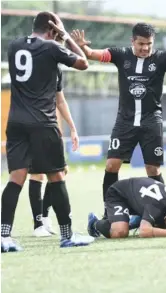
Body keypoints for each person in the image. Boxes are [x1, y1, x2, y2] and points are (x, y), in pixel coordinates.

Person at [70, 23, 166, 218]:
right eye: (141, 44)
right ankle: (110, 212)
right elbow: (92, 54)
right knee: (111, 165)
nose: (145, 48)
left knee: (152, 168)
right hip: (125, 122)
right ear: (132, 41)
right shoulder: (120, 55)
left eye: (149, 44)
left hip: (151, 121)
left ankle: (162, 212)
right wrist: (82, 46)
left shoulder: (162, 58)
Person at [1, 11, 94, 253]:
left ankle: (3, 236)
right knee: (56, 177)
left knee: (16, 178)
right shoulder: (52, 48)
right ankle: (66, 235)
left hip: (16, 122)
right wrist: (67, 37)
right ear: (53, 30)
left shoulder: (14, 46)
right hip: (43, 122)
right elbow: (84, 62)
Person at [28, 37, 79, 238]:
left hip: (50, 126)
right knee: (37, 173)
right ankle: (38, 224)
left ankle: (45, 217)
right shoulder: (33, 62)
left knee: (60, 170)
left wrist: (72, 128)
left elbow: (60, 100)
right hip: (32, 125)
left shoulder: (56, 69)